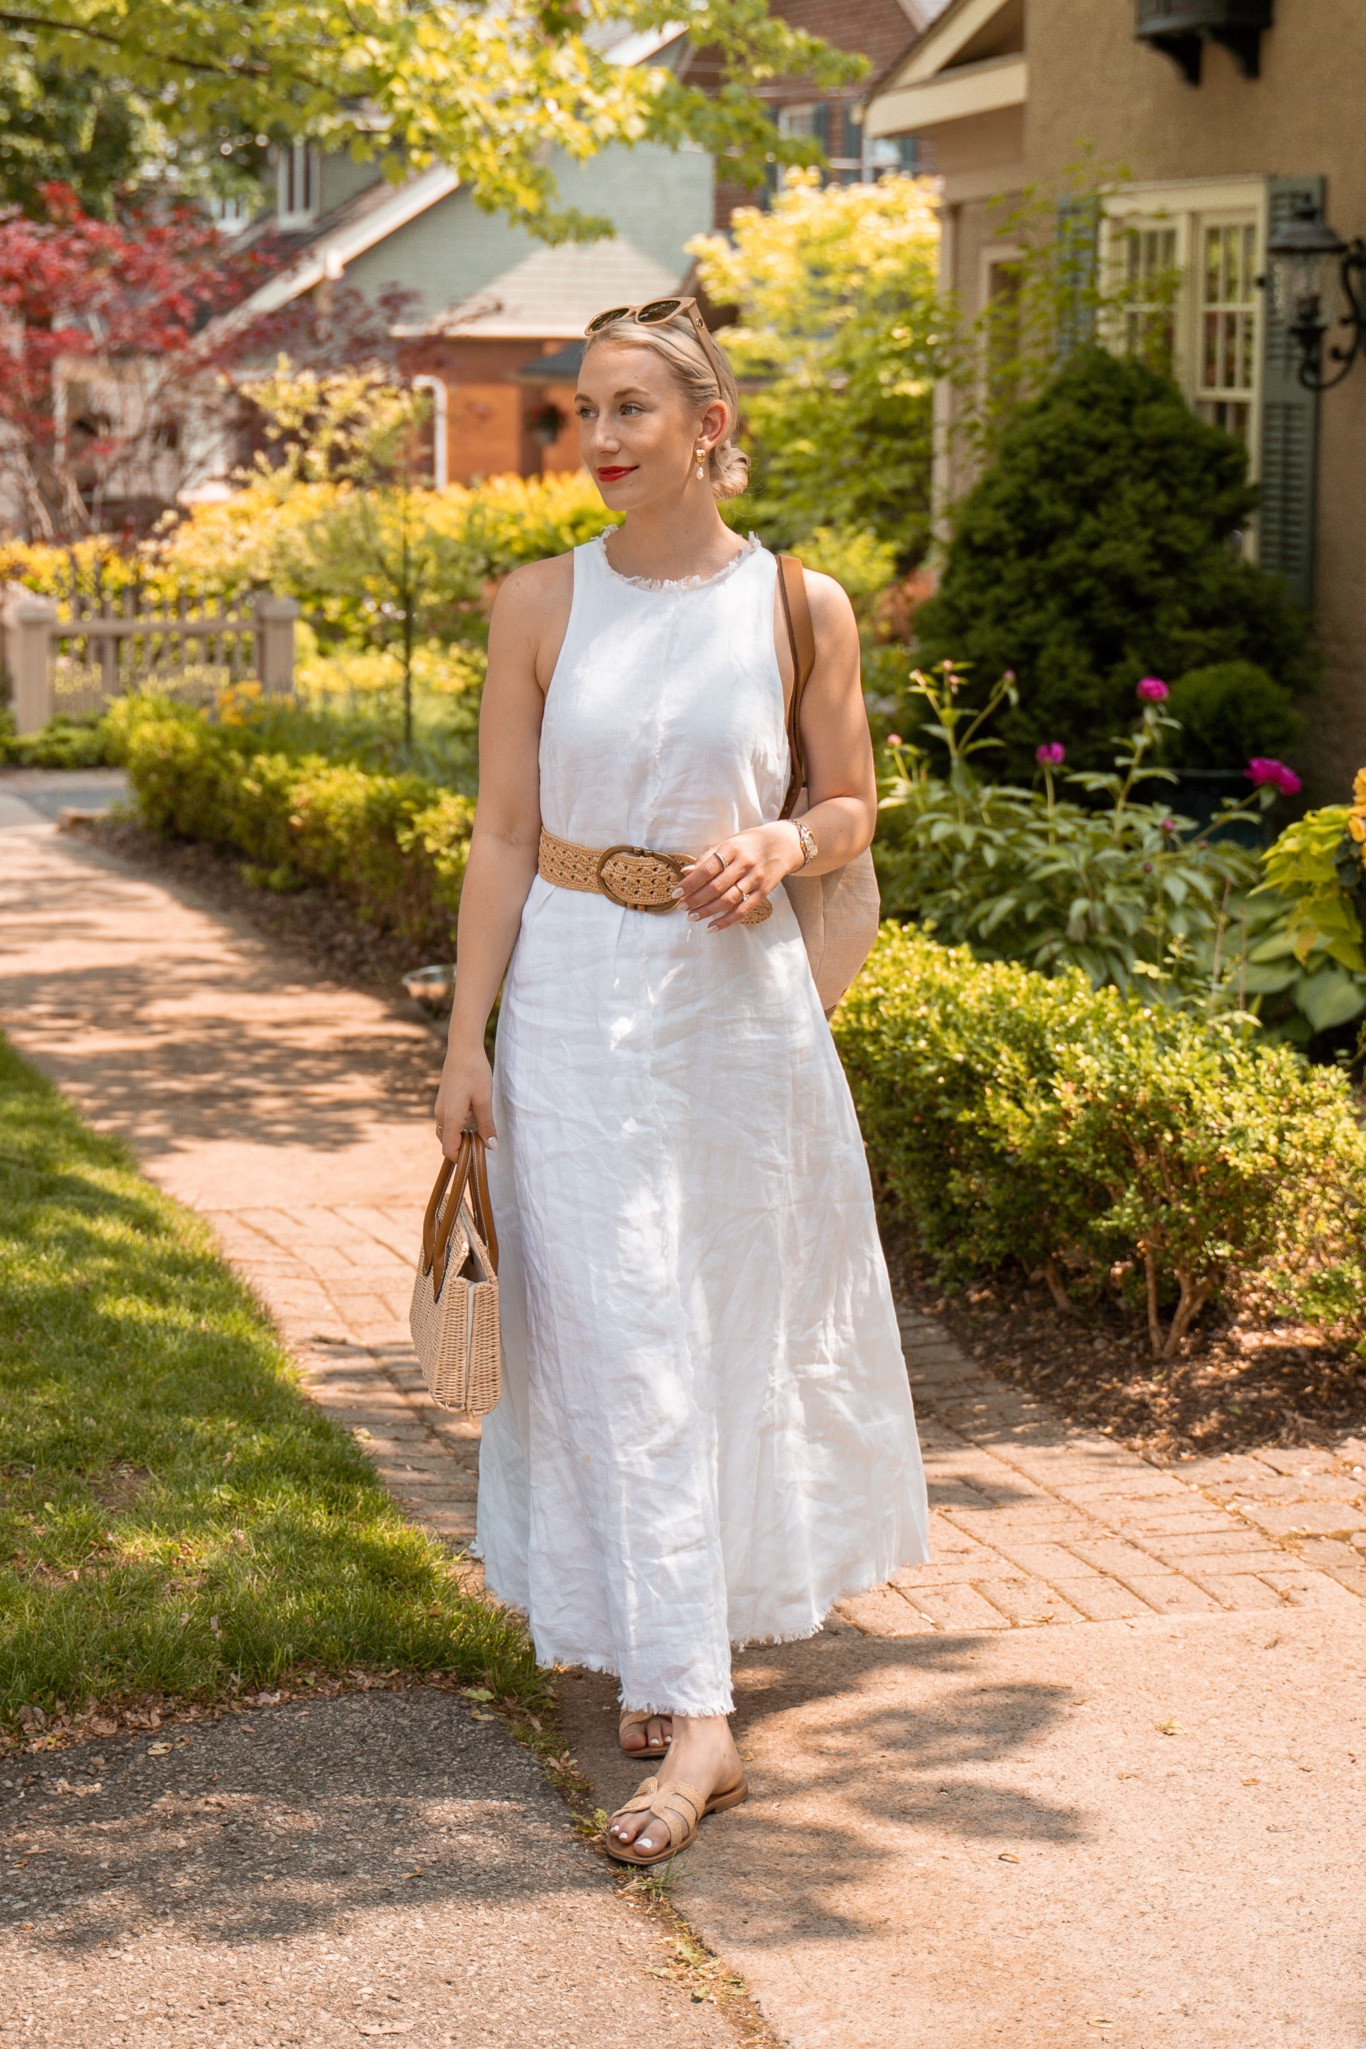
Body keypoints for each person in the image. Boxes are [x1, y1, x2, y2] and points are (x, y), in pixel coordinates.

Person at [433, 298, 928, 1866]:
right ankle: (697, 1710)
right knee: (616, 1323)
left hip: (734, 1012)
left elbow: (850, 803)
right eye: (586, 410)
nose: (600, 437)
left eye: (632, 408)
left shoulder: (799, 604)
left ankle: (676, 1664)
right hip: (574, 1002)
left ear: (709, 426)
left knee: (715, 1320)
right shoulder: (536, 602)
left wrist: (782, 839)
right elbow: (502, 834)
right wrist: (463, 1038)